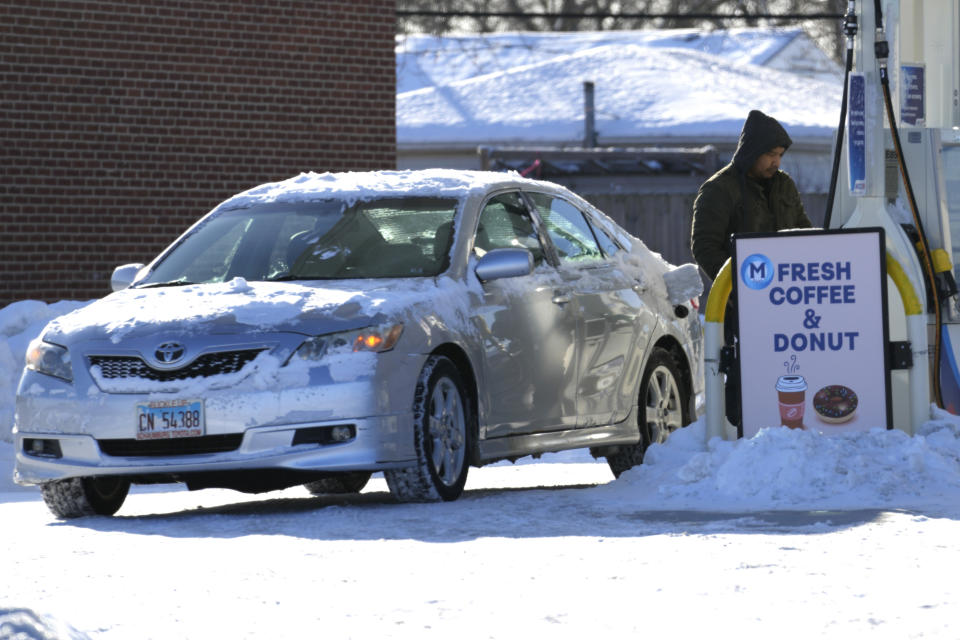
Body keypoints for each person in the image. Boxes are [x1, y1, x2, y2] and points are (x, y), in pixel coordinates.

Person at [690, 110, 813, 281]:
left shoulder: (784, 185)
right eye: (771, 154)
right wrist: (739, 285)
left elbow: (805, 233)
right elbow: (705, 247)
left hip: (789, 290)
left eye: (780, 155)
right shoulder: (719, 189)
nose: (776, 162)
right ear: (753, 151)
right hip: (745, 294)